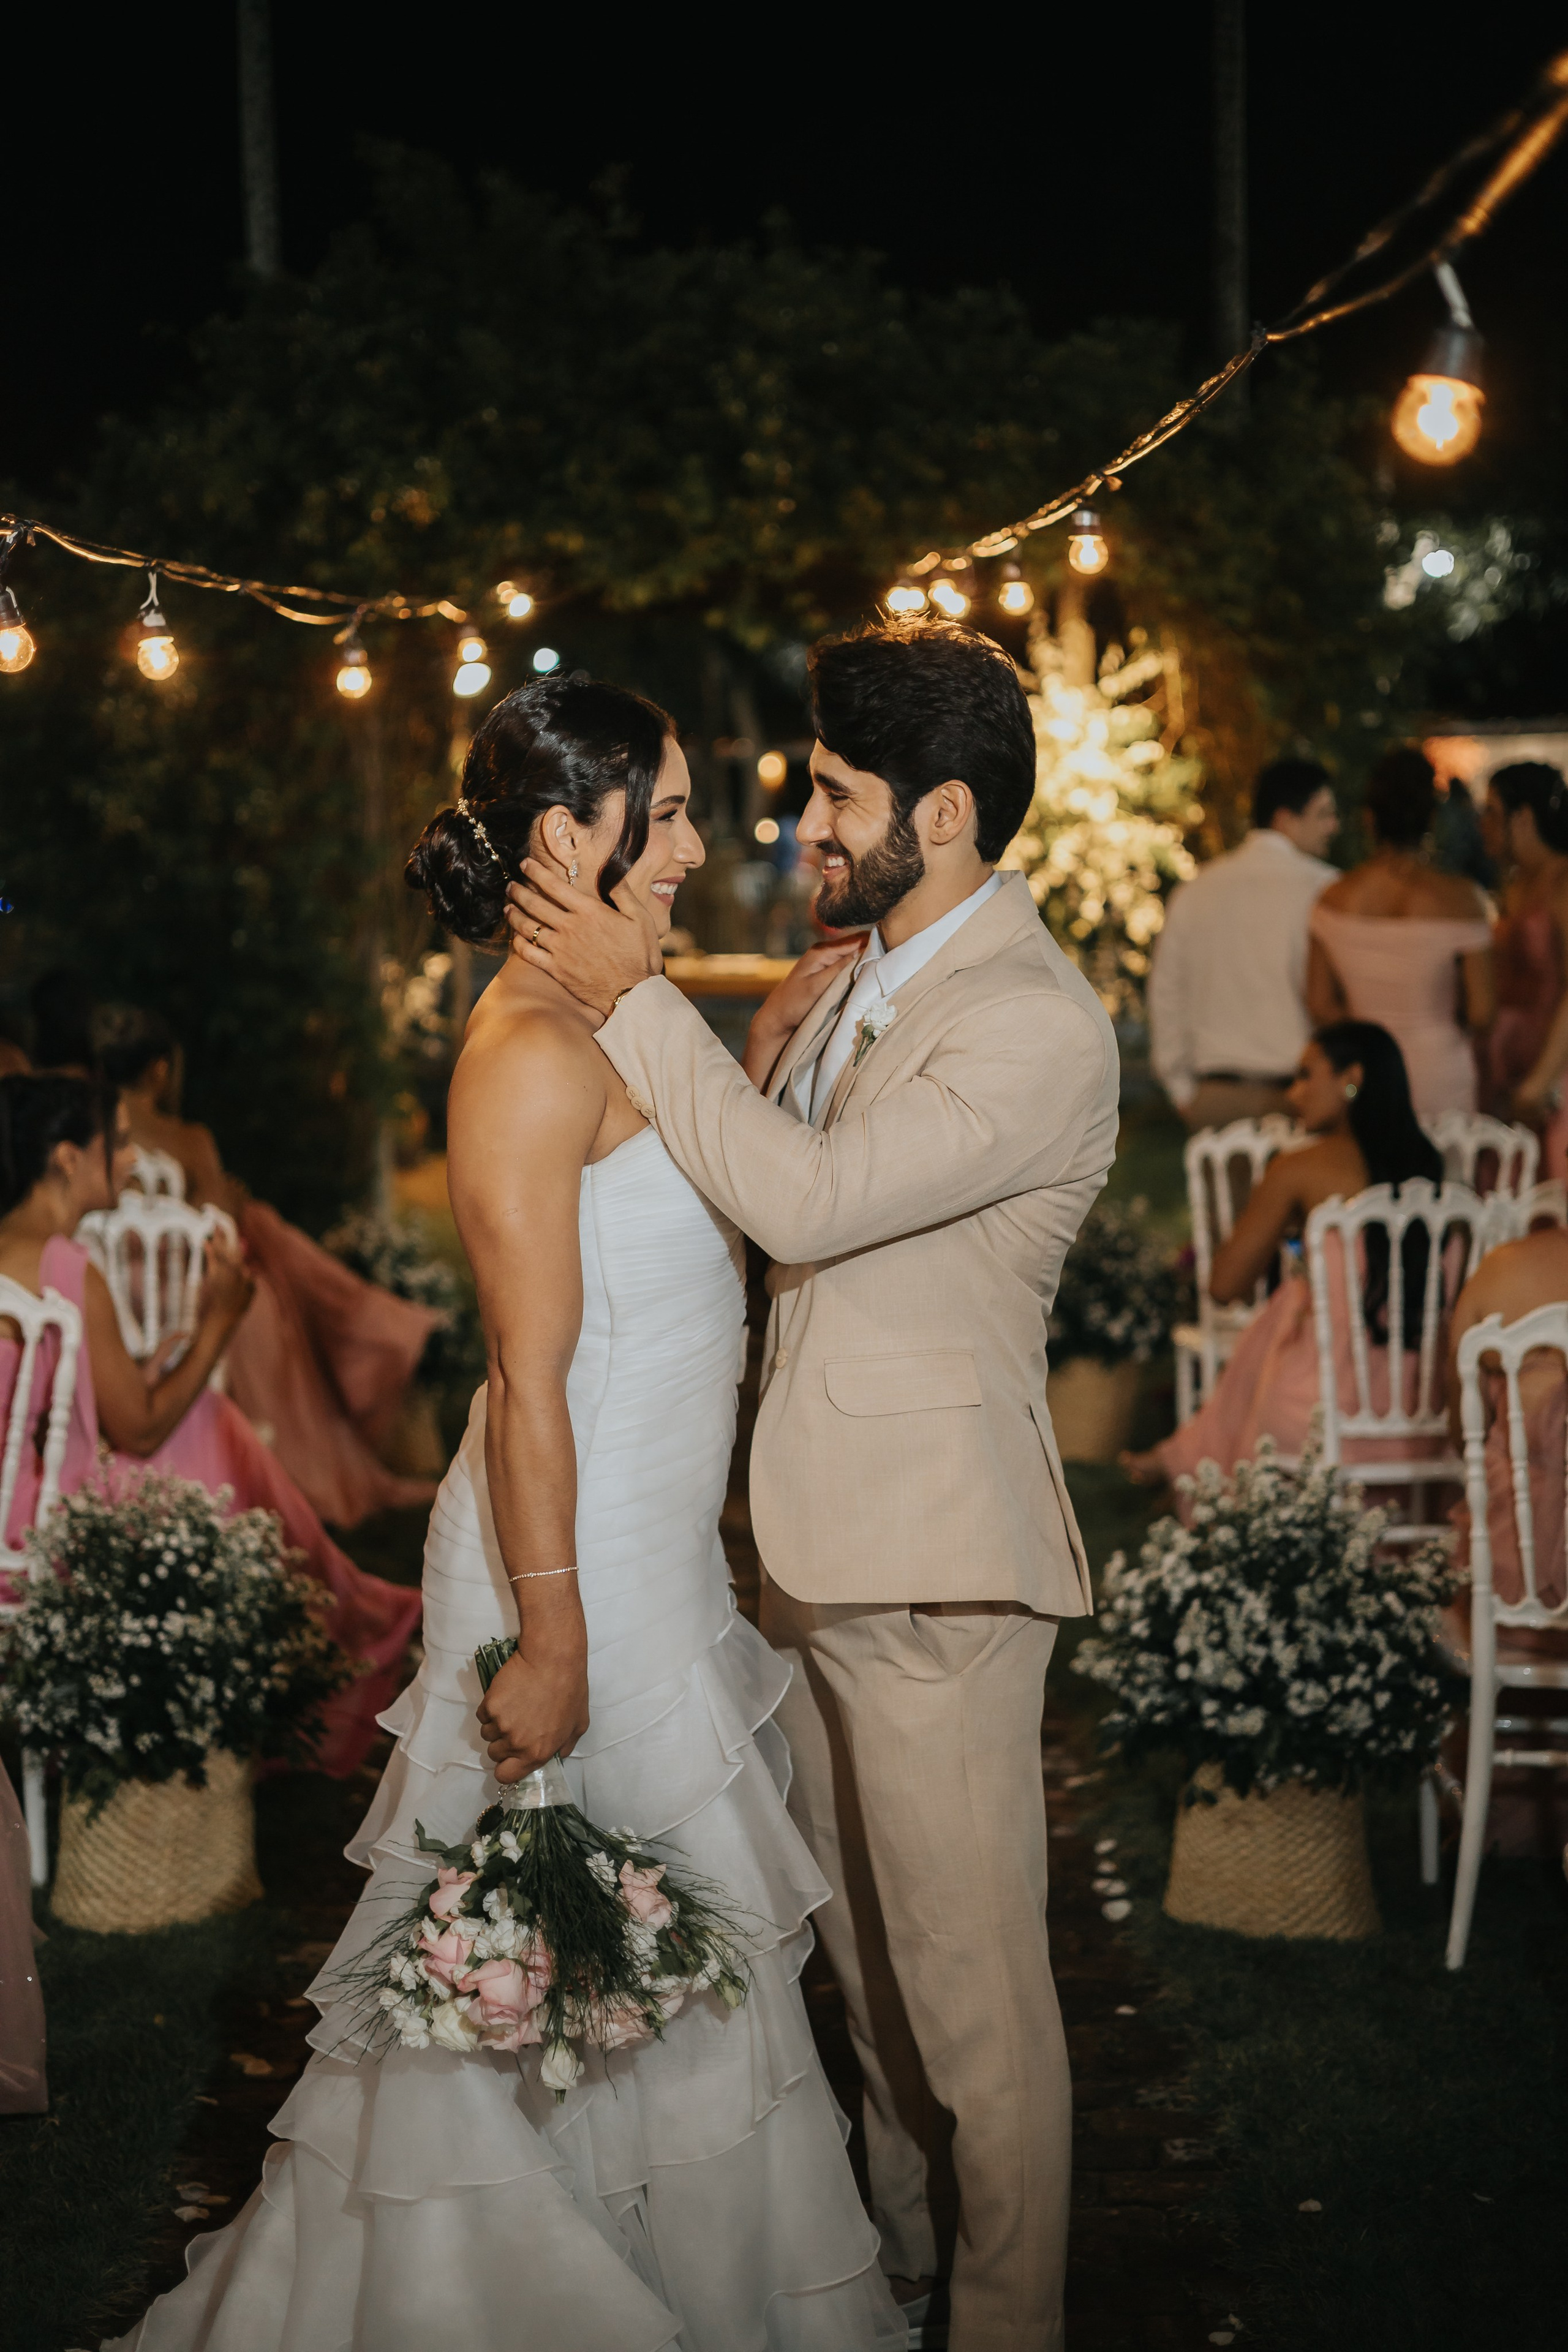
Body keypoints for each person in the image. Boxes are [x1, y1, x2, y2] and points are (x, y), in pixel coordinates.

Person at [106, 677, 903, 2352]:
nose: (694, 847)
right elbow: (528, 1382)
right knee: (549, 1952)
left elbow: (694, 1193)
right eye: (667, 813)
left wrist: (752, 1054)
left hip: (653, 1558)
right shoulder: (527, 1058)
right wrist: (552, 1634)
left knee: (652, 1961)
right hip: (575, 1560)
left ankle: (670, 2278)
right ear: (571, 834)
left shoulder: (621, 1018)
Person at [504, 620, 1120, 2352]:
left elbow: (815, 1206)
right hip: (813, 1558)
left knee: (979, 2016)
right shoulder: (871, 977)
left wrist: (633, 986)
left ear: (941, 808)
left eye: (843, 789)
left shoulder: (1032, 1025)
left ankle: (1010, 2327)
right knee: (867, 1990)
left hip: (938, 1574)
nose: (811, 814)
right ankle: (904, 2276)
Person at [0, 1074, 420, 1775]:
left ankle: (330, 1618)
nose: (134, 1160)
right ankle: (321, 1632)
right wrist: (220, 1319)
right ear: (69, 1158)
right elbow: (138, 1432)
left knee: (203, 1416)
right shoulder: (64, 1265)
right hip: (37, 1527)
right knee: (208, 1423)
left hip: (17, 1492)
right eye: (120, 1142)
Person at [91, 1003, 440, 1529]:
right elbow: (222, 1228)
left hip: (112, 1305)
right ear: (159, 1069)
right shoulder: (187, 1139)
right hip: (187, 1307)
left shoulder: (80, 1130)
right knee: (267, 1281)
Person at [1125, 1021, 1448, 1490]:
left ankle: (1187, 1460)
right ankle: (1178, 1456)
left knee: (1285, 1309)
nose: (1293, 1094)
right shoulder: (1429, 1165)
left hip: (1322, 1412)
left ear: (1350, 1078)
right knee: (1291, 1305)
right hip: (1425, 1408)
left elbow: (1225, 1287)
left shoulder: (1299, 1168)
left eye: (1305, 1076)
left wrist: (1280, 1234)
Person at [1147, 755, 1340, 1130]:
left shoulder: (1196, 890)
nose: (1334, 826)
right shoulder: (1327, 891)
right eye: (1324, 814)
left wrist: (1182, 1091)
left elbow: (1166, 994)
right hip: (1302, 1098)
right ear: (1285, 819)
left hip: (1216, 1097)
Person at [1308, 745, 1494, 1118]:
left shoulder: (1333, 900)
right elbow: (1482, 1011)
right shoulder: (1462, 900)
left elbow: (1320, 1004)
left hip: (1368, 1073)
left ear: (1369, 819)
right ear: (1430, 819)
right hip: (1441, 1071)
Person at [1480, 760, 1568, 1178]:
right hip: (1504, 1071)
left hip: (1552, 1073)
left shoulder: (1563, 883)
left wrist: (1541, 1080)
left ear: (1525, 817)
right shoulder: (1511, 887)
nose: (1483, 825)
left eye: (1492, 812)